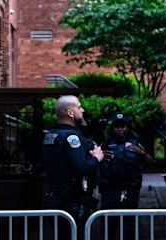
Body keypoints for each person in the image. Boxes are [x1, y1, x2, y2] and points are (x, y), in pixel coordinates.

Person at [42, 95, 104, 240]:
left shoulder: (51, 135)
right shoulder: (71, 137)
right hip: (72, 202)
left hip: (55, 199)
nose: (82, 110)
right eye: (79, 107)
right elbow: (82, 166)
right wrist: (97, 157)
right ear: (70, 113)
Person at [99, 113, 154, 240]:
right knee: (108, 225)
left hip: (130, 190)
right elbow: (94, 162)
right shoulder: (106, 144)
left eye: (122, 126)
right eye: (117, 126)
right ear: (112, 128)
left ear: (127, 128)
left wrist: (141, 152)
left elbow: (151, 162)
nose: (120, 129)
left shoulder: (135, 143)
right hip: (110, 190)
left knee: (130, 226)